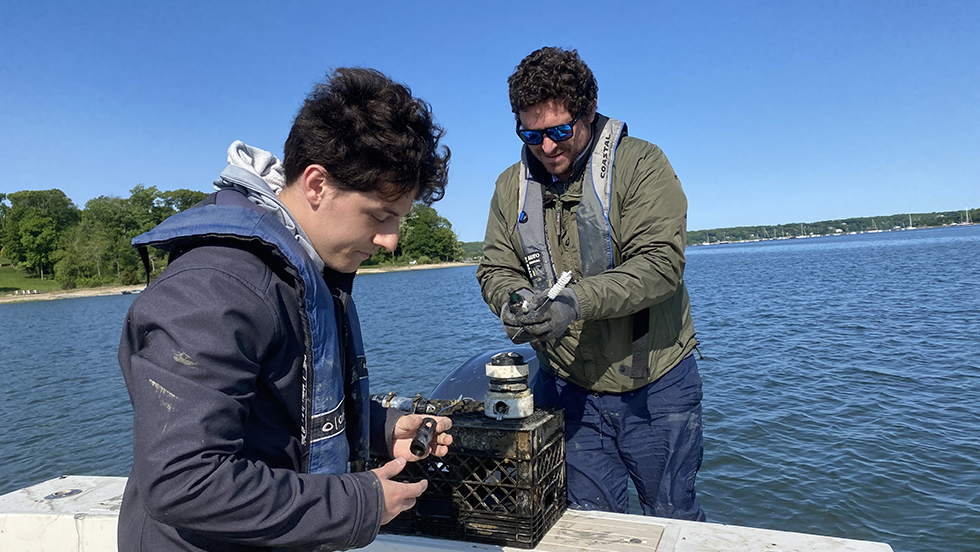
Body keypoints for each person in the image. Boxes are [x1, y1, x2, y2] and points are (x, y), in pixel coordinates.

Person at [118, 67, 454, 551]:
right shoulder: (214, 288)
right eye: (380, 216)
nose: (391, 240)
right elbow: (183, 482)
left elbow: (283, 410)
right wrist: (361, 503)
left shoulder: (304, 268)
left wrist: (381, 429)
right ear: (316, 183)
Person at [476, 47, 706, 521]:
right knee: (588, 524)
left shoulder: (641, 164)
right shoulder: (508, 187)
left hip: (656, 388)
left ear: (590, 110)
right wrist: (514, 301)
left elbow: (661, 264)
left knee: (674, 518)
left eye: (560, 130)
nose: (547, 147)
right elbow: (496, 267)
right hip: (570, 390)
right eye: (531, 133)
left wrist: (572, 303)